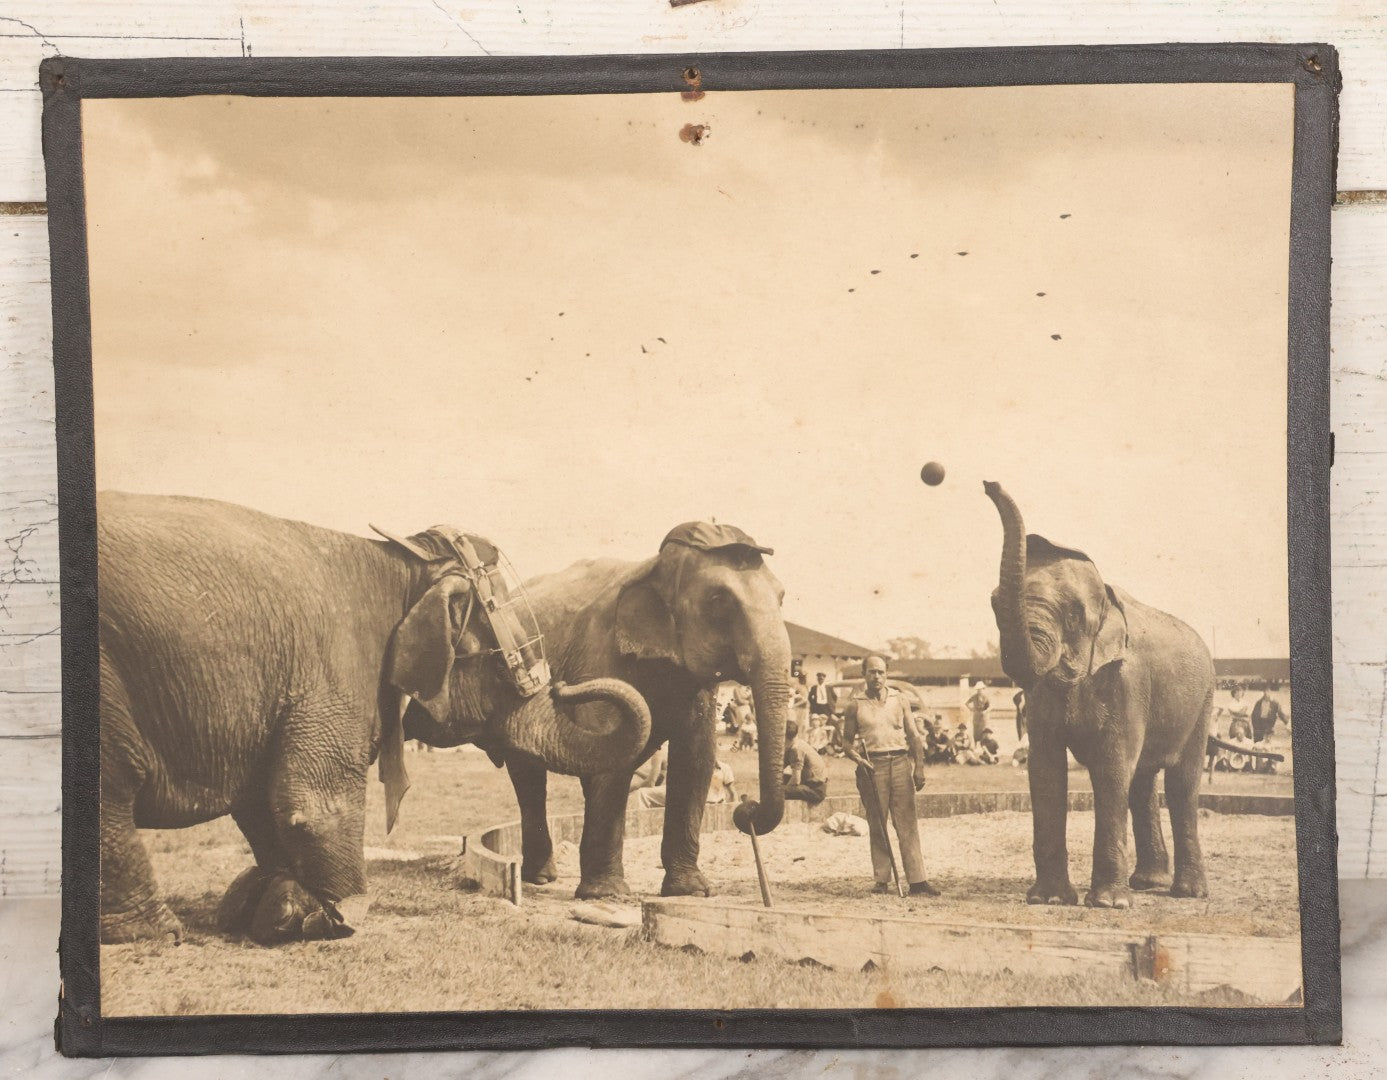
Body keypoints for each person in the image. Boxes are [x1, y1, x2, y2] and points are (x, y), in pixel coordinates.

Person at [843, 655, 939, 896]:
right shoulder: (855, 704)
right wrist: (857, 758)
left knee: (907, 822)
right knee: (878, 824)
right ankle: (882, 880)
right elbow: (845, 743)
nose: (877, 677)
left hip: (899, 762)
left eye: (881, 672)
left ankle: (918, 881)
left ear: (887, 674)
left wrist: (919, 767)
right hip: (871, 766)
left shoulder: (900, 699)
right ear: (863, 674)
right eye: (872, 672)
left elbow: (915, 735)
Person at [782, 720, 828, 805]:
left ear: (784, 736)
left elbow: (796, 780)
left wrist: (784, 790)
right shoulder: (799, 742)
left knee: (777, 792)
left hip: (815, 790)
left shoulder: (796, 749)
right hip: (814, 785)